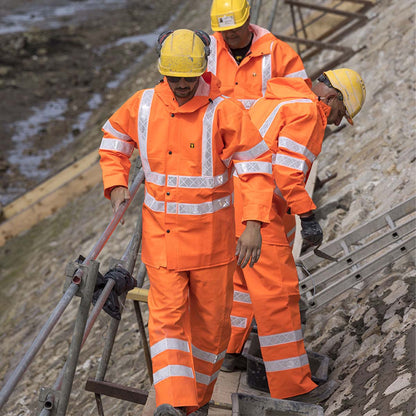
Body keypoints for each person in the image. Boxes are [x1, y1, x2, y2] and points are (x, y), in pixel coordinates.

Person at [98, 29, 274, 416]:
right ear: (162, 72)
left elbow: (257, 168)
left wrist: (254, 224)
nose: (180, 86)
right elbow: (114, 140)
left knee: (211, 334)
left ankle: (195, 403)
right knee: (168, 326)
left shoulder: (224, 111)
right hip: (161, 246)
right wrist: (115, 184)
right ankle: (174, 404)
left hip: (212, 249)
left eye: (187, 79)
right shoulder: (143, 105)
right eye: (173, 78)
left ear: (201, 72)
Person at [226, 68, 366, 402]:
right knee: (279, 298)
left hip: (233, 205)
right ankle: (293, 387)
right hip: (258, 214)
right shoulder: (307, 113)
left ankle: (228, 353)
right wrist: (308, 215)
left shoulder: (282, 97)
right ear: (331, 98)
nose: (334, 122)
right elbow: (285, 174)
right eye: (340, 114)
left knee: (242, 287)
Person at [208, 0, 310, 111]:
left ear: (247, 19)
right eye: (224, 30)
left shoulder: (276, 51)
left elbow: (301, 97)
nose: (229, 34)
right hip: (223, 126)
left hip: (264, 127)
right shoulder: (208, 51)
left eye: (235, 29)